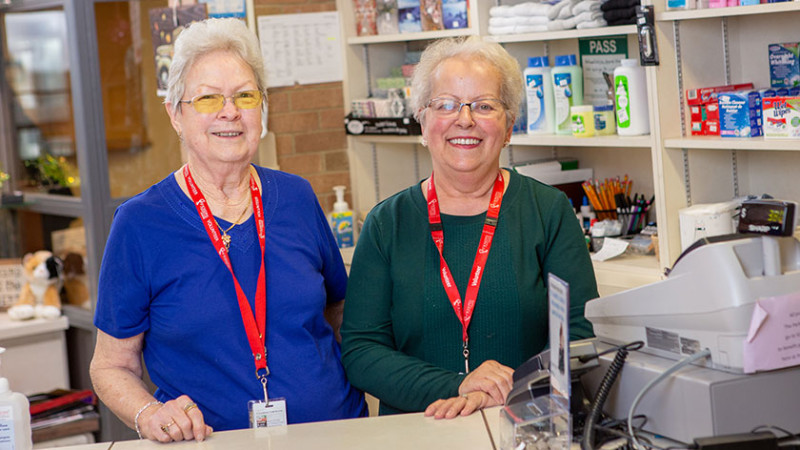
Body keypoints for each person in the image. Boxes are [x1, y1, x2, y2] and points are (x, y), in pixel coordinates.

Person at [89, 18, 366, 443]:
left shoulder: (296, 197)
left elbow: (339, 313)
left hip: (336, 432)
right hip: (213, 441)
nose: (229, 111)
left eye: (245, 95)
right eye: (207, 99)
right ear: (175, 114)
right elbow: (110, 365)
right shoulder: (140, 225)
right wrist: (148, 413)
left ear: (262, 108)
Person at [340, 36, 597, 420]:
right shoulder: (386, 224)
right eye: (446, 104)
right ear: (423, 123)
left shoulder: (548, 211)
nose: (465, 119)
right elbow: (362, 352)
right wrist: (459, 385)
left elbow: (578, 333)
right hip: (417, 431)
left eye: (484, 106)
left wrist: (517, 390)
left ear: (509, 126)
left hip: (526, 422)